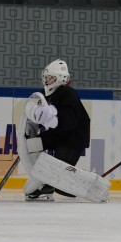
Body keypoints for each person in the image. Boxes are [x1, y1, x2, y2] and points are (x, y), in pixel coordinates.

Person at [25, 59, 91, 200]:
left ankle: (49, 187)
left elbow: (68, 122)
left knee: (58, 170)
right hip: (60, 134)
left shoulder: (68, 93)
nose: (47, 80)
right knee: (32, 144)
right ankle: (45, 182)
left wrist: (50, 118)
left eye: (51, 78)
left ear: (60, 79)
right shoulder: (49, 93)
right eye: (47, 77)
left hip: (73, 139)